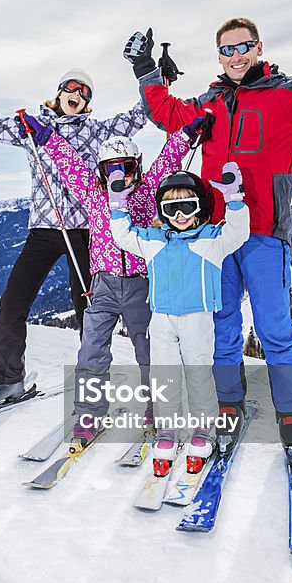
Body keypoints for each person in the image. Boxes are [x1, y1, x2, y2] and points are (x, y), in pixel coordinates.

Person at [122, 0, 292, 458]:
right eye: (227, 49)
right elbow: (165, 112)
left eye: (244, 46)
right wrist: (144, 67)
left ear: (259, 46)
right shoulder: (209, 104)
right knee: (223, 325)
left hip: (265, 232)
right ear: (219, 56)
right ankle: (230, 402)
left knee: (274, 325)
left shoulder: (285, 95)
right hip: (216, 235)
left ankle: (291, 409)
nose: (236, 55)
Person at [0, 69, 147, 403]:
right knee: (12, 302)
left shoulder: (97, 132)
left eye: (85, 93)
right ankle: (8, 379)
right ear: (59, 91)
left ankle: (95, 389)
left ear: (87, 104)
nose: (77, 94)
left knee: (88, 311)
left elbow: (138, 116)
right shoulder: (31, 128)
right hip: (42, 230)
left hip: (83, 232)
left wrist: (158, 82)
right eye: (72, 87)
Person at [17, 113, 212, 446]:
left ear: (137, 166)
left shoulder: (147, 192)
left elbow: (167, 159)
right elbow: (70, 163)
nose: (118, 176)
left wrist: (185, 133)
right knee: (91, 350)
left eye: (125, 167)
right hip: (103, 284)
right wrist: (45, 135)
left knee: (149, 351)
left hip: (140, 284)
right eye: (110, 169)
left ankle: (157, 406)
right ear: (101, 171)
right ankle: (89, 413)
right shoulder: (94, 195)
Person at [109, 162, 250, 476]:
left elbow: (239, 233)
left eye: (188, 206)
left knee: (199, 374)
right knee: (165, 377)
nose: (180, 215)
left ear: (199, 207)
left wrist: (234, 199)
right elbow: (122, 236)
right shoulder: (154, 240)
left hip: (197, 318)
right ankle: (167, 431)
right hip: (161, 318)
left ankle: (203, 430)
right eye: (172, 208)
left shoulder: (211, 240)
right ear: (162, 210)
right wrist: (117, 205)